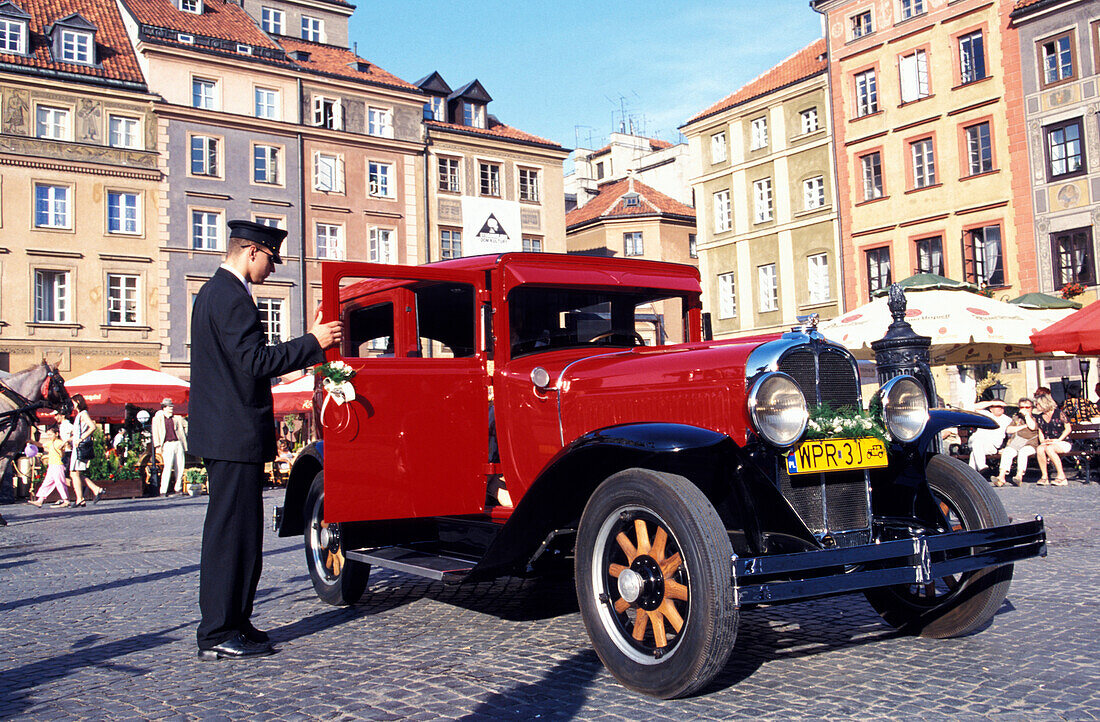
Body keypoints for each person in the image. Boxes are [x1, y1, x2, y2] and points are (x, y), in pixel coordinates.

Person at [190, 220, 341, 661]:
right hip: (231, 434)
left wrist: (302, 351)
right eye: (271, 260)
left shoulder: (216, 293)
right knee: (231, 534)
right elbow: (255, 361)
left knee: (240, 531)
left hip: (227, 433)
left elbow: (249, 369)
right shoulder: (232, 297)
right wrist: (313, 341)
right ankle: (218, 629)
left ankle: (234, 619)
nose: (272, 269)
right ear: (252, 251)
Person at [992, 398, 1040, 487]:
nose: (1024, 409)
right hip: (1016, 443)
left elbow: (1033, 427)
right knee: (1007, 452)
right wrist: (1024, 426)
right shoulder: (1016, 418)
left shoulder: (1036, 418)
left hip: (1031, 444)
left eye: (1027, 407)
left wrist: (1027, 416)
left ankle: (1019, 476)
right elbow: (1009, 430)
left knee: (1023, 452)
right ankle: (1001, 477)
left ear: (1032, 408)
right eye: (1022, 407)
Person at [68, 395, 104, 507]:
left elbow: (92, 426)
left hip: (80, 446)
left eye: (73, 402)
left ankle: (81, 498)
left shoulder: (83, 414)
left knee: (75, 472)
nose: (72, 405)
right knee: (75, 473)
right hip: (77, 446)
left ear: (78, 402)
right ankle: (93, 490)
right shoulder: (80, 415)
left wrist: (81, 438)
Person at [152, 398, 188, 496]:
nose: (171, 408)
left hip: (178, 443)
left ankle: (178, 488)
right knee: (167, 467)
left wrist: (184, 435)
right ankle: (163, 490)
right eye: (169, 407)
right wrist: (157, 445)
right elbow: (155, 432)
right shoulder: (158, 418)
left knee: (180, 467)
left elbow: (187, 425)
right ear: (164, 408)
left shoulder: (177, 418)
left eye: (171, 406)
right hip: (167, 444)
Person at [1035, 392, 1073, 486]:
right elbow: (1041, 432)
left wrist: (1058, 440)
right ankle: (1044, 476)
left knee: (1049, 449)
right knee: (1040, 448)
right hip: (1049, 442)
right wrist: (1043, 442)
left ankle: (1061, 476)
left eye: (1038, 404)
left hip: (1062, 442)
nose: (1036, 406)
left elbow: (1068, 429)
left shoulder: (1059, 413)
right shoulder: (1040, 417)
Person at [27, 428, 71, 508]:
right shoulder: (51, 442)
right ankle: (40, 500)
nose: (49, 436)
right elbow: (41, 445)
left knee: (60, 482)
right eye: (48, 435)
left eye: (50, 434)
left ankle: (66, 500)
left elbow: (63, 447)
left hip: (58, 465)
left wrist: (64, 445)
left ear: (56, 434)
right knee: (47, 483)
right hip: (51, 466)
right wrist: (31, 441)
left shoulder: (58, 442)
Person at [967, 400, 1011, 473]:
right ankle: (981, 467)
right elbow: (973, 407)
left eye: (1001, 406)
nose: (1000, 408)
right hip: (975, 441)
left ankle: (971, 473)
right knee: (978, 442)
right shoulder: (986, 414)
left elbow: (1010, 435)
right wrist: (992, 402)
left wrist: (1006, 448)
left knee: (974, 453)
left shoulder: (1007, 420)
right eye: (997, 406)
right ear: (991, 409)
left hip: (992, 447)